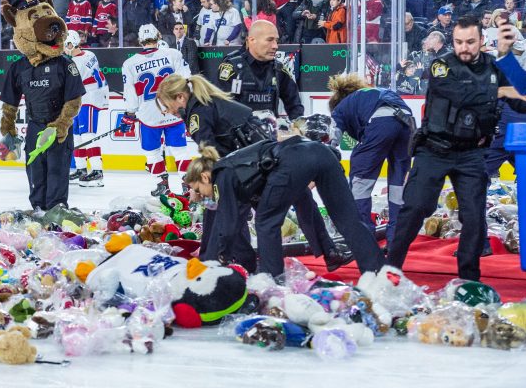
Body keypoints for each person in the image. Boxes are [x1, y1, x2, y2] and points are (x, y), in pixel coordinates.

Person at [157, 73, 352, 272]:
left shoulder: (198, 113)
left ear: (180, 97)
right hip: (265, 158)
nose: (166, 111)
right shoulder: (211, 101)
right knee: (301, 199)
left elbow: (210, 153)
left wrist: (200, 183)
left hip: (249, 169)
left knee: (222, 212)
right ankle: (329, 252)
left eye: (166, 105)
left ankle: (219, 265)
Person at [388, 17, 526, 281]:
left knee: (474, 218)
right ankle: (389, 269)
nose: (464, 47)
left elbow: (521, 99)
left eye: (470, 42)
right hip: (434, 149)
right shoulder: (441, 65)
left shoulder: (494, 68)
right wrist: (500, 92)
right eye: (459, 42)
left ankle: (470, 280)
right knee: (416, 207)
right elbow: (460, 95)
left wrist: (510, 75)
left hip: (471, 154)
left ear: (481, 41)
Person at [184, 136, 384, 276]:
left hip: (293, 161)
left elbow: (228, 227)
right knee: (348, 221)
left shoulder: (222, 175)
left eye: (199, 190)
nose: (202, 197)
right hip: (321, 153)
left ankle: (272, 281)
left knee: (265, 222)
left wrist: (218, 262)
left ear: (204, 176)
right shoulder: (237, 169)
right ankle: (378, 272)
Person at [0, 0, 86, 212]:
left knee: (58, 170)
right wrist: (8, 129)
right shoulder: (19, 67)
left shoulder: (65, 63)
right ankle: (37, 209)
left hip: (58, 129)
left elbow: (74, 99)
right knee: (35, 170)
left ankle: (57, 210)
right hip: (34, 126)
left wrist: (61, 125)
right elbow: (10, 101)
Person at [328, 73, 414, 245]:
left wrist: (325, 153)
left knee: (361, 179)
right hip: (407, 121)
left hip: (380, 121)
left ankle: (364, 240)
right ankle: (395, 241)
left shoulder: (341, 107)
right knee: (398, 186)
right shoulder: (372, 93)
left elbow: (332, 133)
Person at [119, 24, 193, 196]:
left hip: (149, 115)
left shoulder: (130, 63)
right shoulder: (173, 54)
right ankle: (187, 185)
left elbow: (130, 94)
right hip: (174, 111)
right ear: (159, 36)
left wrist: (130, 113)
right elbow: (186, 79)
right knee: (180, 151)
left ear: (140, 40)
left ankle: (161, 184)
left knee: (152, 153)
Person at [65, 31, 109, 187]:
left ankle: (97, 171)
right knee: (77, 135)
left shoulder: (74, 63)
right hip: (83, 99)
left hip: (88, 99)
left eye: (65, 44)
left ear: (70, 44)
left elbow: (70, 85)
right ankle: (81, 169)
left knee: (87, 135)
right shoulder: (89, 54)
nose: (63, 48)